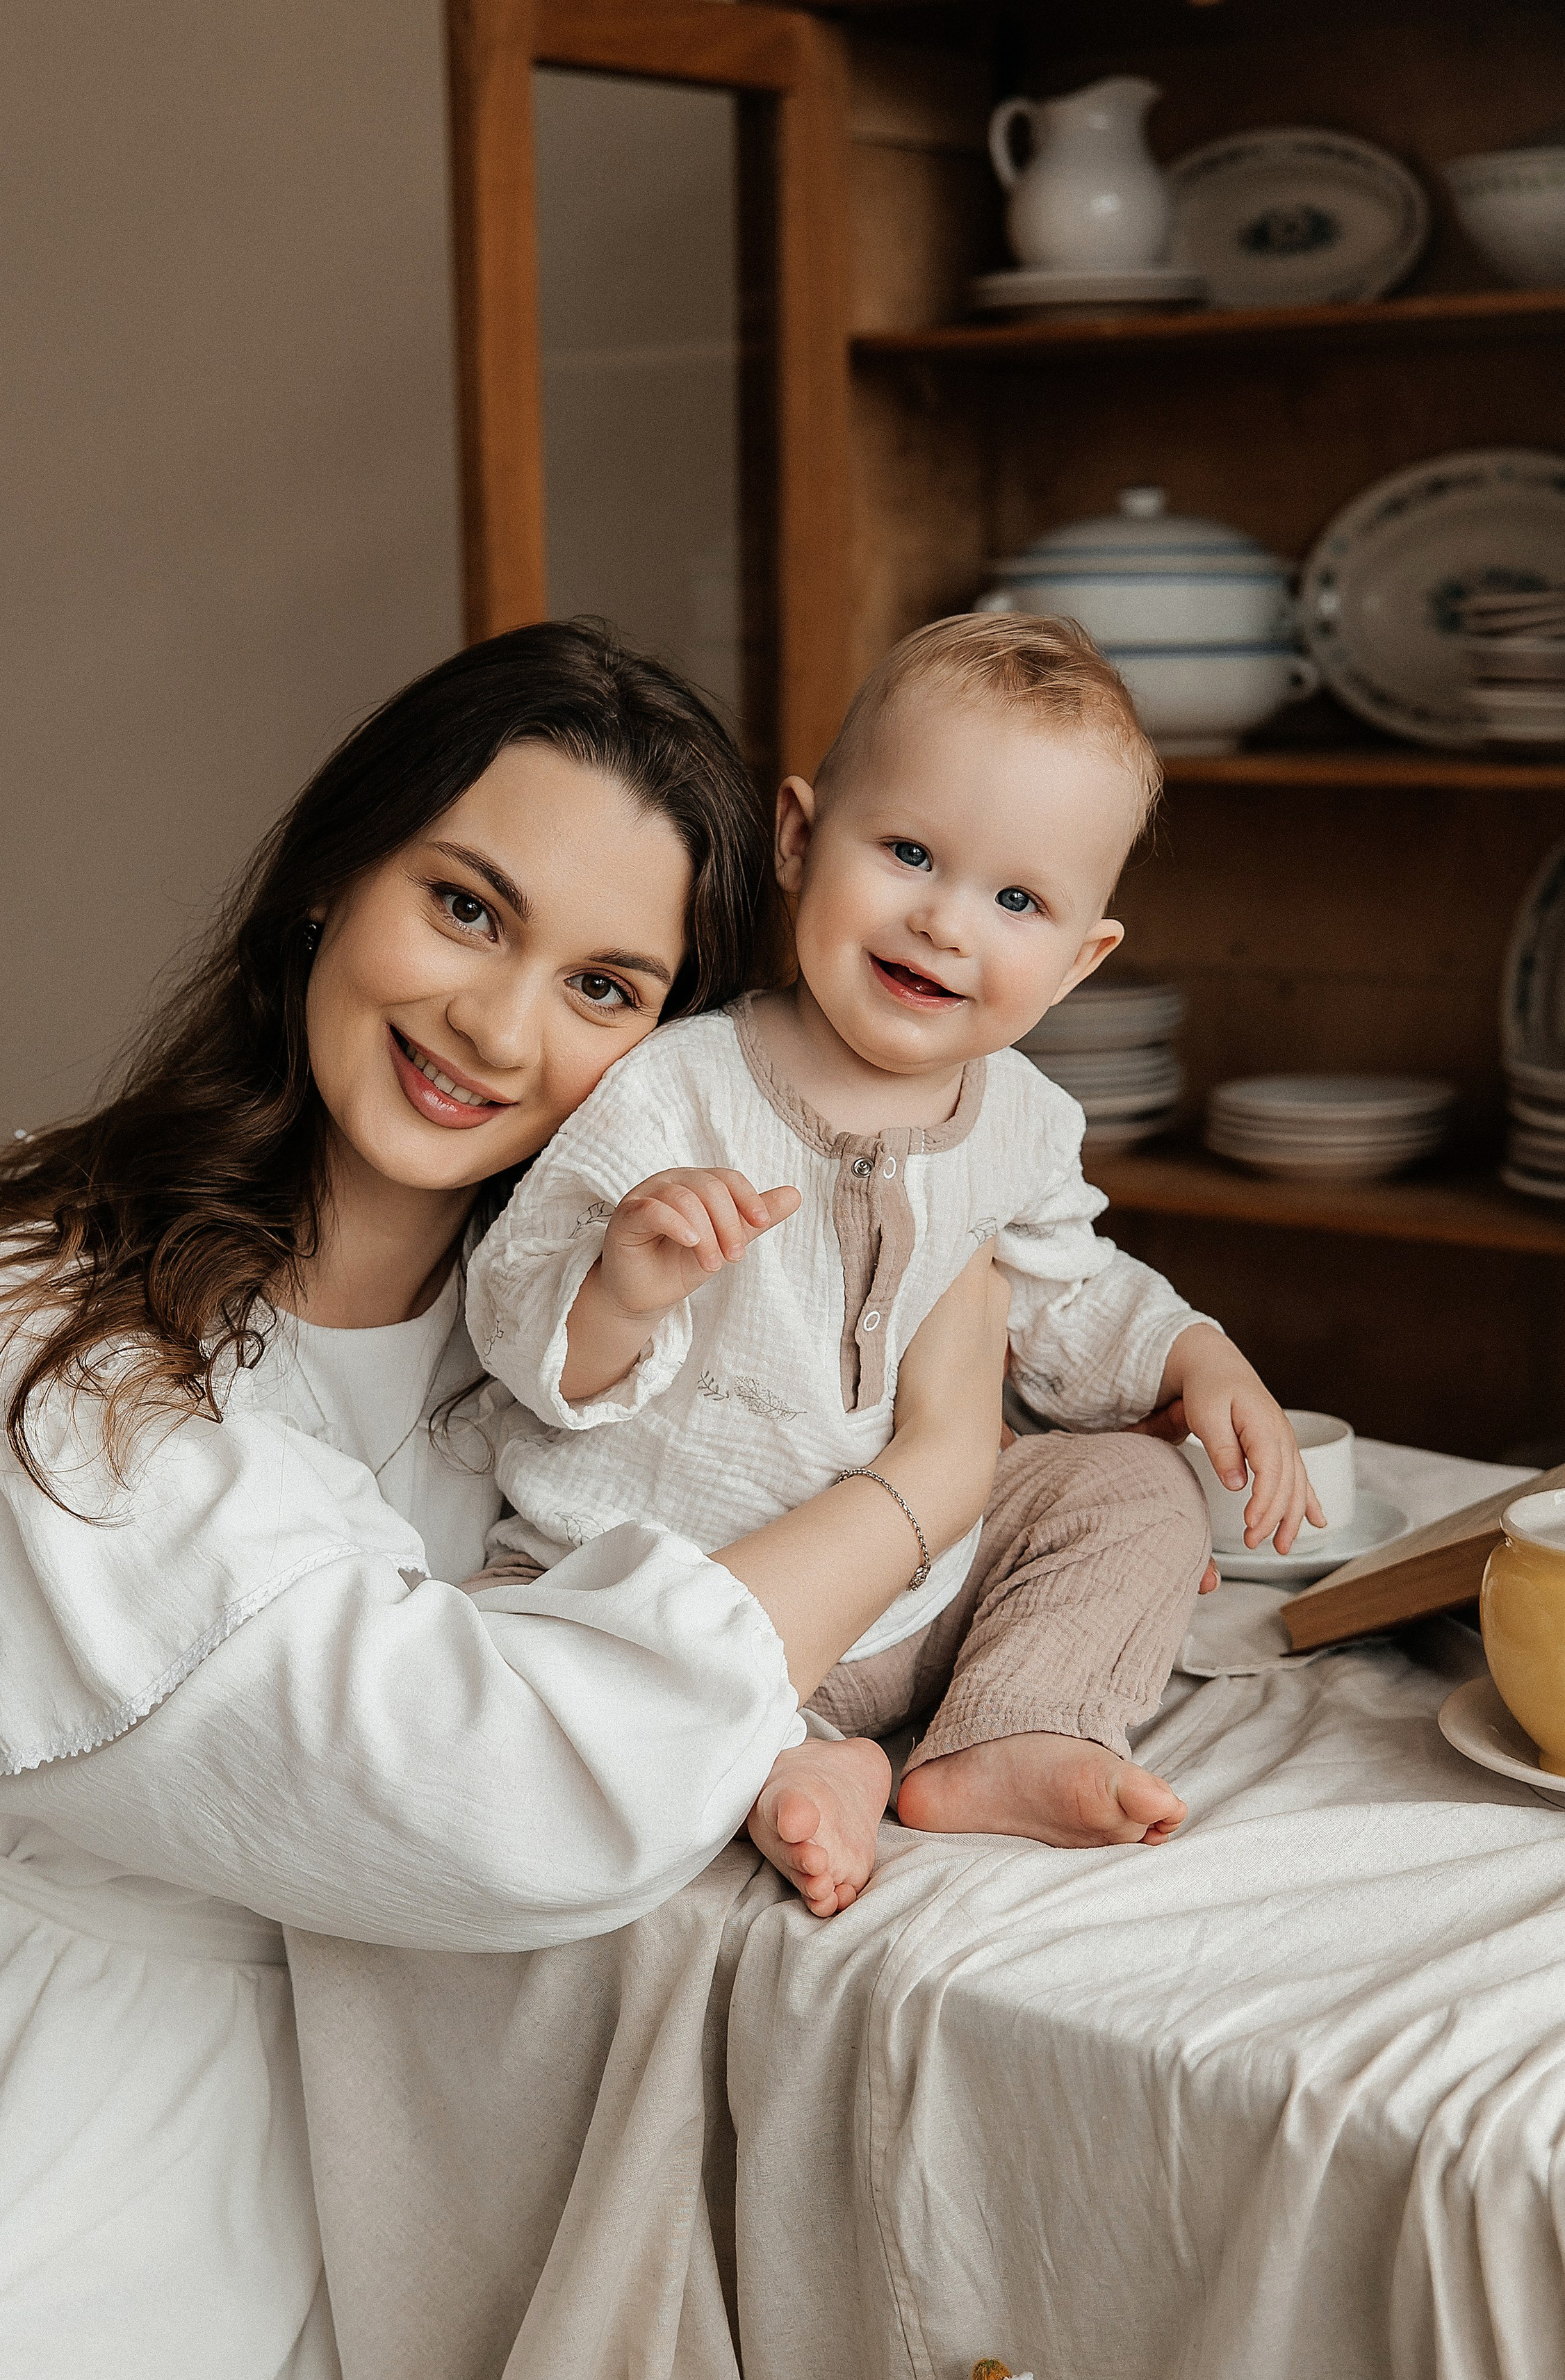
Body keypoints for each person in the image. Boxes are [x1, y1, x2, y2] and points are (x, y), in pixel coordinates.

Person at [0, 622, 1006, 2380]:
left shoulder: (594, 1364)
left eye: (605, 988)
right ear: (326, 881)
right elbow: (491, 1779)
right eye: (465, 907)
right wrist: (925, 1478)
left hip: (328, 2177)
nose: (500, 1025)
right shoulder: (27, 1335)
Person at [467, 614, 1322, 1884]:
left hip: (917, 1591)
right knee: (522, 1668)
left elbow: (1068, 1294)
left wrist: (1197, 1357)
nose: (945, 922)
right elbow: (515, 1330)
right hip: (675, 1579)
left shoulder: (1024, 1120)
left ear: (1081, 960)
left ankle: (1009, 1729)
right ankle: (797, 1757)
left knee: (1139, 1491)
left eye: (1018, 898)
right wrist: (622, 1290)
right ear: (802, 841)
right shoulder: (674, 1086)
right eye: (910, 851)